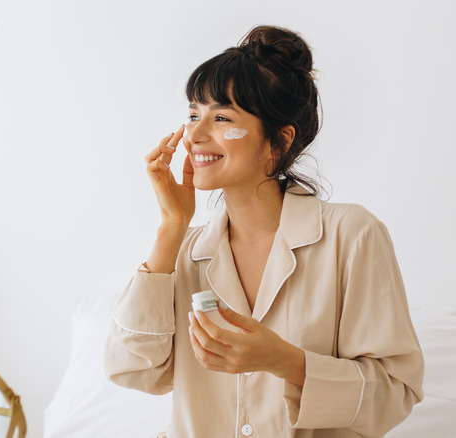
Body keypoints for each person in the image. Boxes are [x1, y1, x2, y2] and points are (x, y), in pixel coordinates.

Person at [104, 25, 424, 438]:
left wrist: (285, 361)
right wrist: (172, 226)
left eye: (222, 118)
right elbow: (131, 370)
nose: (194, 136)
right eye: (193, 115)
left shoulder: (352, 235)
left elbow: (395, 395)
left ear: (279, 141)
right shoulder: (183, 251)